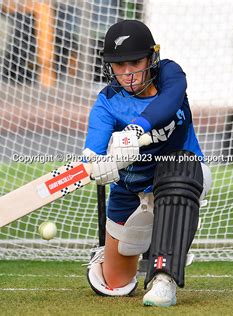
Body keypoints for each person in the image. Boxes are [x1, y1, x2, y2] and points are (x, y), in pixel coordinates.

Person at [82, 20, 212, 307]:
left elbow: (168, 103)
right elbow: (92, 150)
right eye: (119, 65)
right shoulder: (107, 102)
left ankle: (163, 278)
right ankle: (110, 257)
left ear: (151, 57)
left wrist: (135, 130)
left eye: (135, 62)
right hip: (131, 189)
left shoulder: (169, 74)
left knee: (178, 170)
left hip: (183, 173)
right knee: (114, 284)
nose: (128, 73)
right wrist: (97, 165)